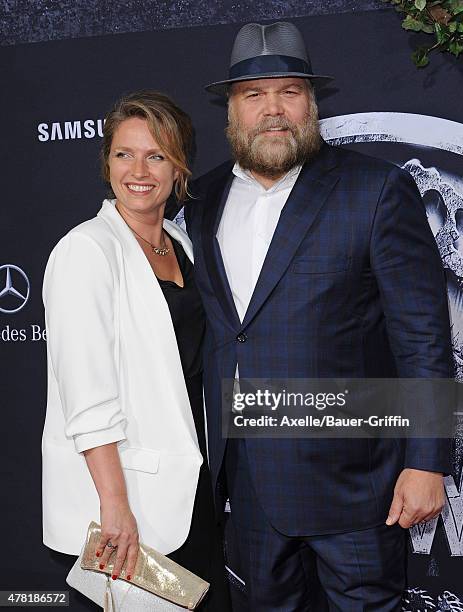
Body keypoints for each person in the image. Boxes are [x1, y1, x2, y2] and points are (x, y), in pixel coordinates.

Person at [183, 22, 454, 611]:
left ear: (312, 101)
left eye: (289, 92)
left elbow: (423, 336)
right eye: (254, 95)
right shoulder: (202, 202)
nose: (273, 110)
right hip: (249, 486)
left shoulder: (375, 190)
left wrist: (428, 462)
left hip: (358, 487)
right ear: (231, 110)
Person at [42, 90, 230, 611]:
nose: (139, 169)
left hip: (190, 490)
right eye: (124, 153)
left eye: (157, 155)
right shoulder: (87, 250)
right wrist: (114, 507)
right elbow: (86, 395)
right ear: (106, 164)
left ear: (179, 168)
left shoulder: (181, 243)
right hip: (130, 502)